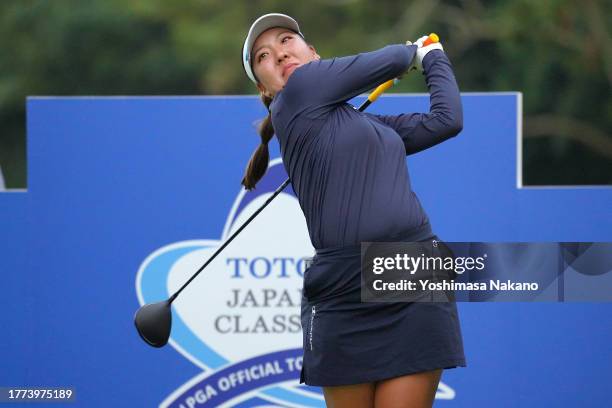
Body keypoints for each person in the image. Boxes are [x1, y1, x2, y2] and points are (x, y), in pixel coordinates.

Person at [240, 13, 466, 408]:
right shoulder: (293, 99)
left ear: (314, 52)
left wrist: (435, 58)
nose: (278, 53)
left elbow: (446, 121)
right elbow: (394, 59)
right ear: (265, 87)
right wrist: (418, 51)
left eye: (287, 40)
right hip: (342, 286)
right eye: (263, 54)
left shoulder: (373, 127)